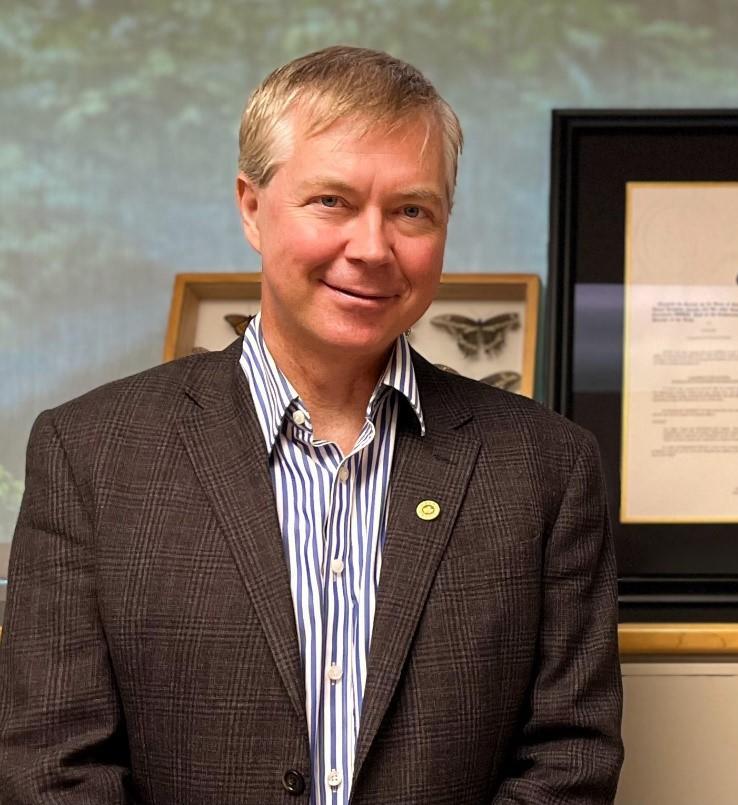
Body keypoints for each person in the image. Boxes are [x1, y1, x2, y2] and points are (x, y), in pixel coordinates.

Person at [0, 46, 623, 804]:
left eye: (411, 211)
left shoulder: (546, 467)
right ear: (252, 207)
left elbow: (570, 758)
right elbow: (52, 767)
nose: (371, 247)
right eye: (331, 201)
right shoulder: (90, 454)